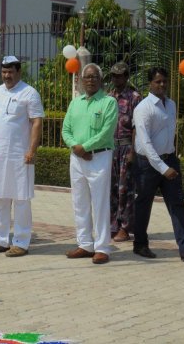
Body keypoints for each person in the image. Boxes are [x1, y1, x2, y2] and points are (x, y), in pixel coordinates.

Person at [132, 67, 184, 260]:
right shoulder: (143, 108)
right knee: (143, 204)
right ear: (150, 83)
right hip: (147, 164)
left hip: (169, 159)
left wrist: (170, 161)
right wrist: (163, 168)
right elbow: (146, 143)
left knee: (177, 203)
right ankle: (140, 245)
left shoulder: (171, 105)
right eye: (158, 81)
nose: (162, 85)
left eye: (164, 81)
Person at [0, 56, 44, 257]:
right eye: (4, 72)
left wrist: (32, 150)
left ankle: (21, 242)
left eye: (10, 72)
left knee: (20, 197)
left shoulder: (29, 93)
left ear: (18, 72)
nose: (7, 75)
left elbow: (36, 122)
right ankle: (1, 239)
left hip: (18, 155)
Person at [62, 63, 118, 265]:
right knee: (79, 202)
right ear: (81, 80)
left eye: (94, 77)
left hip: (99, 157)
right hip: (77, 158)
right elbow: (65, 129)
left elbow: (107, 132)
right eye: (87, 77)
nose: (91, 80)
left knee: (100, 203)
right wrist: (76, 147)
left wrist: (84, 147)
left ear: (101, 80)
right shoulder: (75, 103)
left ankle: (102, 247)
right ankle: (85, 244)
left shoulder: (108, 102)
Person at [109, 62, 141, 242]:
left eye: (120, 75)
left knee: (125, 189)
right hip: (110, 147)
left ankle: (125, 227)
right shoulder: (108, 97)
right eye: (114, 75)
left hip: (126, 147)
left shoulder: (134, 97)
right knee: (111, 188)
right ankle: (112, 224)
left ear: (127, 77)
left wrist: (133, 151)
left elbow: (138, 127)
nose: (116, 79)